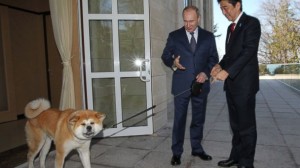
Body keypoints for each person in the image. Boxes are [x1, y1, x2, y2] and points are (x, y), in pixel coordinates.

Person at [161, 5, 219, 166]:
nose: (188, 25)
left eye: (192, 21)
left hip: (201, 85)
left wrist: (206, 73)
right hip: (181, 86)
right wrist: (173, 62)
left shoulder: (208, 37)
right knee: (179, 120)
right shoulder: (174, 36)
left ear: (198, 19)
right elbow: (165, 55)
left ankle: (197, 148)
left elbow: (214, 58)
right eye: (185, 21)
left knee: (198, 119)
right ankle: (177, 153)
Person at [211, 0, 261, 168]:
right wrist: (220, 65)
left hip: (245, 86)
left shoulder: (251, 23)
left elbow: (248, 51)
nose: (224, 12)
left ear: (238, 5)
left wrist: (228, 71)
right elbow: (230, 55)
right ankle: (236, 157)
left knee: (246, 127)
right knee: (235, 126)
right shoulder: (230, 28)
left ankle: (247, 163)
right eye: (221, 9)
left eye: (226, 8)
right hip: (232, 86)